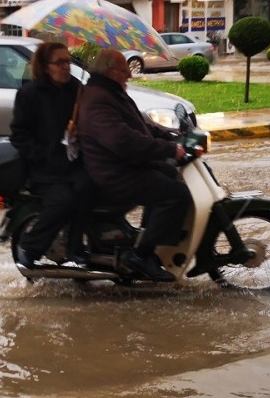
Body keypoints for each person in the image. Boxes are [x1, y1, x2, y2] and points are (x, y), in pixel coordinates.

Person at [76, 49, 191, 282]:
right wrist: (168, 150)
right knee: (176, 195)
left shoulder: (112, 92)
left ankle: (150, 239)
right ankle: (140, 256)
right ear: (110, 72)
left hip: (124, 165)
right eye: (124, 70)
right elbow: (122, 140)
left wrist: (172, 137)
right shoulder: (98, 99)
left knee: (169, 173)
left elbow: (140, 126)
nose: (129, 74)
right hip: (114, 173)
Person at [9, 42, 91, 269]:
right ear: (46, 67)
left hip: (73, 162)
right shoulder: (29, 95)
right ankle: (31, 247)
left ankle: (76, 247)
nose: (66, 67)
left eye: (68, 61)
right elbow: (19, 135)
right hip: (45, 169)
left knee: (88, 188)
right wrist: (43, 154)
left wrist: (78, 131)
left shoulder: (77, 89)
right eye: (60, 62)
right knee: (63, 201)